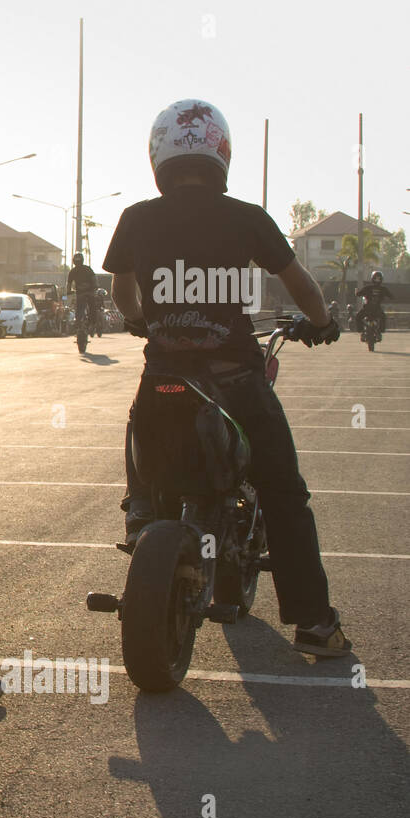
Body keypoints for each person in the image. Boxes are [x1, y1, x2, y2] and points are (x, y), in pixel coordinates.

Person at [103, 98, 348, 658]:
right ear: (221, 152)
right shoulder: (247, 217)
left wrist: (145, 322)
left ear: (159, 154)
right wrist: (325, 323)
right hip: (236, 378)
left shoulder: (137, 217)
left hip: (165, 376)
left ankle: (142, 510)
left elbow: (122, 294)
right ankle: (313, 624)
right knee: (284, 492)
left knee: (142, 419)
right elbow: (302, 286)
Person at [67, 253, 99, 334]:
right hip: (88, 292)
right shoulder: (87, 269)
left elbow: (69, 284)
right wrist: (95, 286)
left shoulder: (73, 271)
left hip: (83, 293)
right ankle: (91, 323)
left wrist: (68, 291)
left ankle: (80, 323)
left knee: (82, 308)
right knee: (91, 307)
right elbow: (94, 279)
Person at [354, 271, 393, 337]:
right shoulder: (383, 289)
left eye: (378, 278)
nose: (377, 280)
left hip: (368, 308)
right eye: (376, 278)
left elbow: (358, 294)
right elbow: (391, 296)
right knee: (383, 317)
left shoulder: (368, 287)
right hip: (375, 309)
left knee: (358, 316)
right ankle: (380, 330)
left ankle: (361, 330)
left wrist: (356, 292)